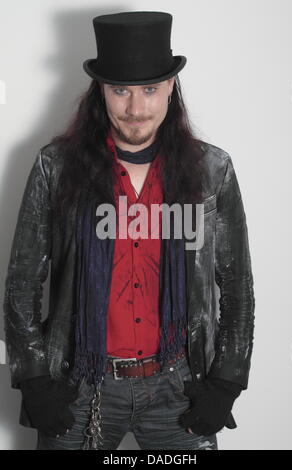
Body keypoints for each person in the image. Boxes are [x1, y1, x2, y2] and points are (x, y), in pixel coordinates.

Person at [3, 11, 255, 450]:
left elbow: (237, 287)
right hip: (80, 380)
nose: (136, 109)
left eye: (150, 90)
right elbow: (22, 283)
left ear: (171, 89)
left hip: (179, 383)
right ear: (100, 92)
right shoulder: (55, 168)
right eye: (120, 90)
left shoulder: (213, 171)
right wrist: (35, 379)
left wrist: (226, 383)